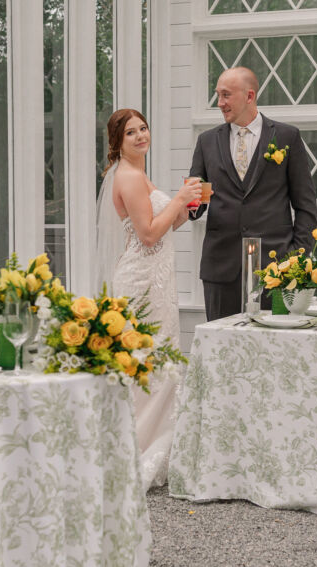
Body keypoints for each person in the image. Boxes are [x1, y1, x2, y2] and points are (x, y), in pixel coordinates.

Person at [95, 108, 201, 490]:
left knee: (158, 358)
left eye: (144, 128)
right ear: (117, 143)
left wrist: (188, 205)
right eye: (131, 133)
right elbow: (148, 235)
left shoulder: (138, 174)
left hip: (156, 279)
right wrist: (178, 199)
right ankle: (138, 449)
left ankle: (159, 445)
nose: (141, 136)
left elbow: (167, 224)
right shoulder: (128, 176)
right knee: (150, 362)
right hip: (142, 282)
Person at [189, 66, 317, 320]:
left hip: (276, 269)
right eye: (218, 95)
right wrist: (186, 203)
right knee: (222, 349)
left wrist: (295, 259)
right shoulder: (206, 142)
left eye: (226, 95)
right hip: (221, 270)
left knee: (274, 351)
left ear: (249, 96)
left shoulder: (286, 136)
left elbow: (305, 205)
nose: (220, 103)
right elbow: (196, 205)